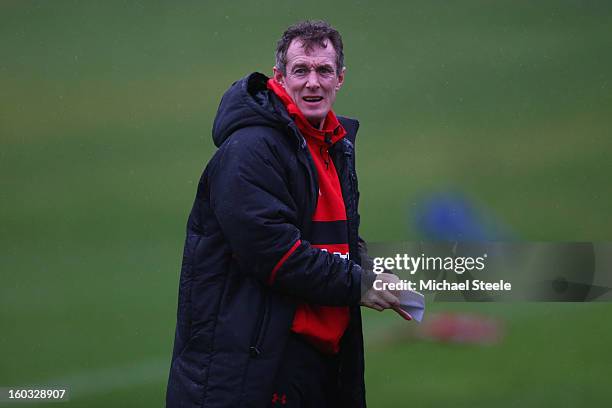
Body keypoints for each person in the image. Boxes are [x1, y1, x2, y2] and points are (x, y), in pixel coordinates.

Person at [166, 20, 405, 408]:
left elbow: (333, 237)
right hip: (256, 366)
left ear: (340, 78)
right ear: (279, 76)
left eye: (324, 70)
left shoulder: (332, 144)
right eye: (301, 70)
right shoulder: (251, 150)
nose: (313, 82)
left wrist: (374, 272)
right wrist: (360, 284)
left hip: (321, 361)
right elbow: (276, 254)